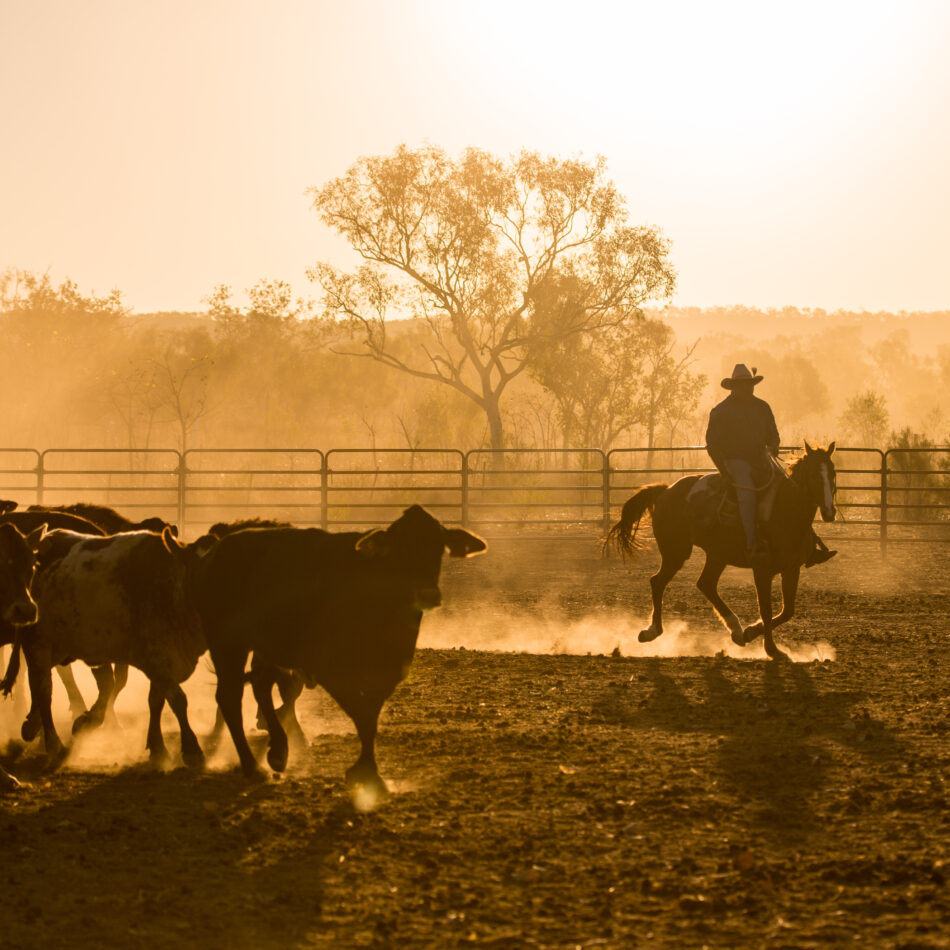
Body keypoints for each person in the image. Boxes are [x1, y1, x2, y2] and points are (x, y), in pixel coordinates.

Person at [705, 363, 835, 567]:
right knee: (747, 496)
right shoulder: (721, 411)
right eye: (743, 385)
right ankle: (751, 544)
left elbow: (773, 434)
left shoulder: (762, 407)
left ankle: (808, 545)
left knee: (791, 490)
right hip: (734, 462)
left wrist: (773, 446)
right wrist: (724, 471)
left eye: (749, 384)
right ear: (734, 386)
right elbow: (712, 445)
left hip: (761, 459)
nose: (747, 388)